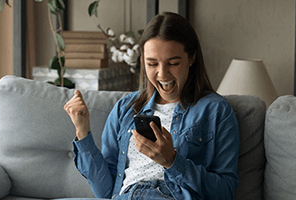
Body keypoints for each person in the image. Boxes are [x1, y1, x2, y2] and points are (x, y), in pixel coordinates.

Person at [64, 12, 239, 200]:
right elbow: (105, 192)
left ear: (191, 58)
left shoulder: (216, 110)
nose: (162, 74)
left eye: (173, 63)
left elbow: (224, 192)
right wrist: (82, 131)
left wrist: (172, 161)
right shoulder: (125, 108)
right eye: (152, 63)